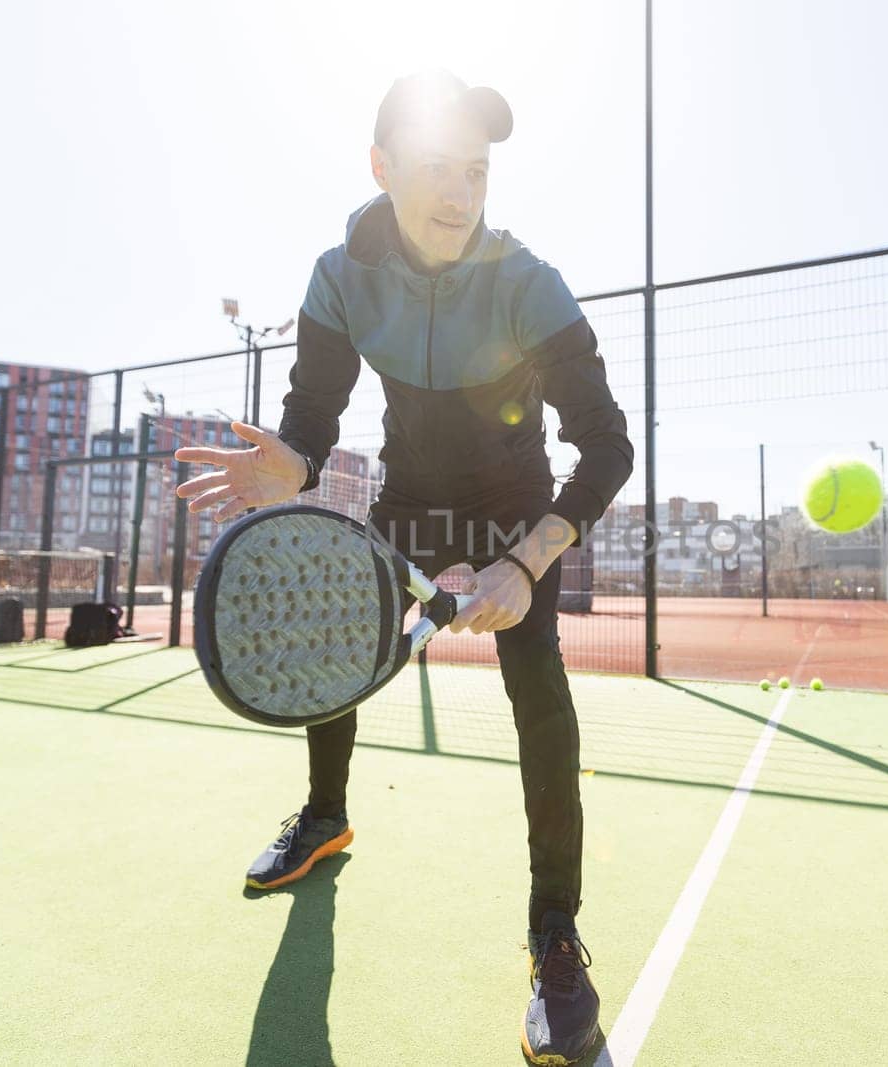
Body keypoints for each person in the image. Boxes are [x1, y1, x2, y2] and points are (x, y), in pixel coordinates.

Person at [174, 69, 633, 1065]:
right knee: (340, 635)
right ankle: (327, 818)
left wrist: (525, 559)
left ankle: (554, 934)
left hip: (516, 503)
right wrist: (290, 461)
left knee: (539, 686)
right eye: (437, 168)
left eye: (476, 170)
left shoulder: (528, 283)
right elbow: (312, 415)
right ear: (381, 168)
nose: (461, 193)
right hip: (408, 496)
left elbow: (607, 448)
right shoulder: (340, 274)